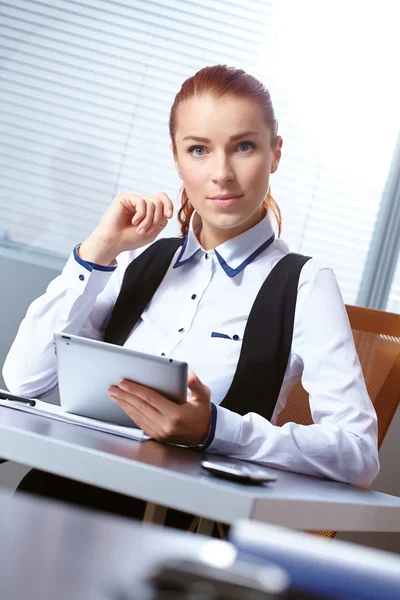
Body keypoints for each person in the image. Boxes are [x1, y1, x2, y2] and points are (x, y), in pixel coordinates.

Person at [3, 65, 379, 525]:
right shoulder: (137, 260)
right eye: (199, 150)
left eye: (244, 146)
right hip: (56, 508)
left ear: (275, 153)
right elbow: (24, 381)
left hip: (180, 534)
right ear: (177, 160)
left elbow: (358, 455)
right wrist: (97, 252)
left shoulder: (303, 282)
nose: (222, 174)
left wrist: (217, 428)